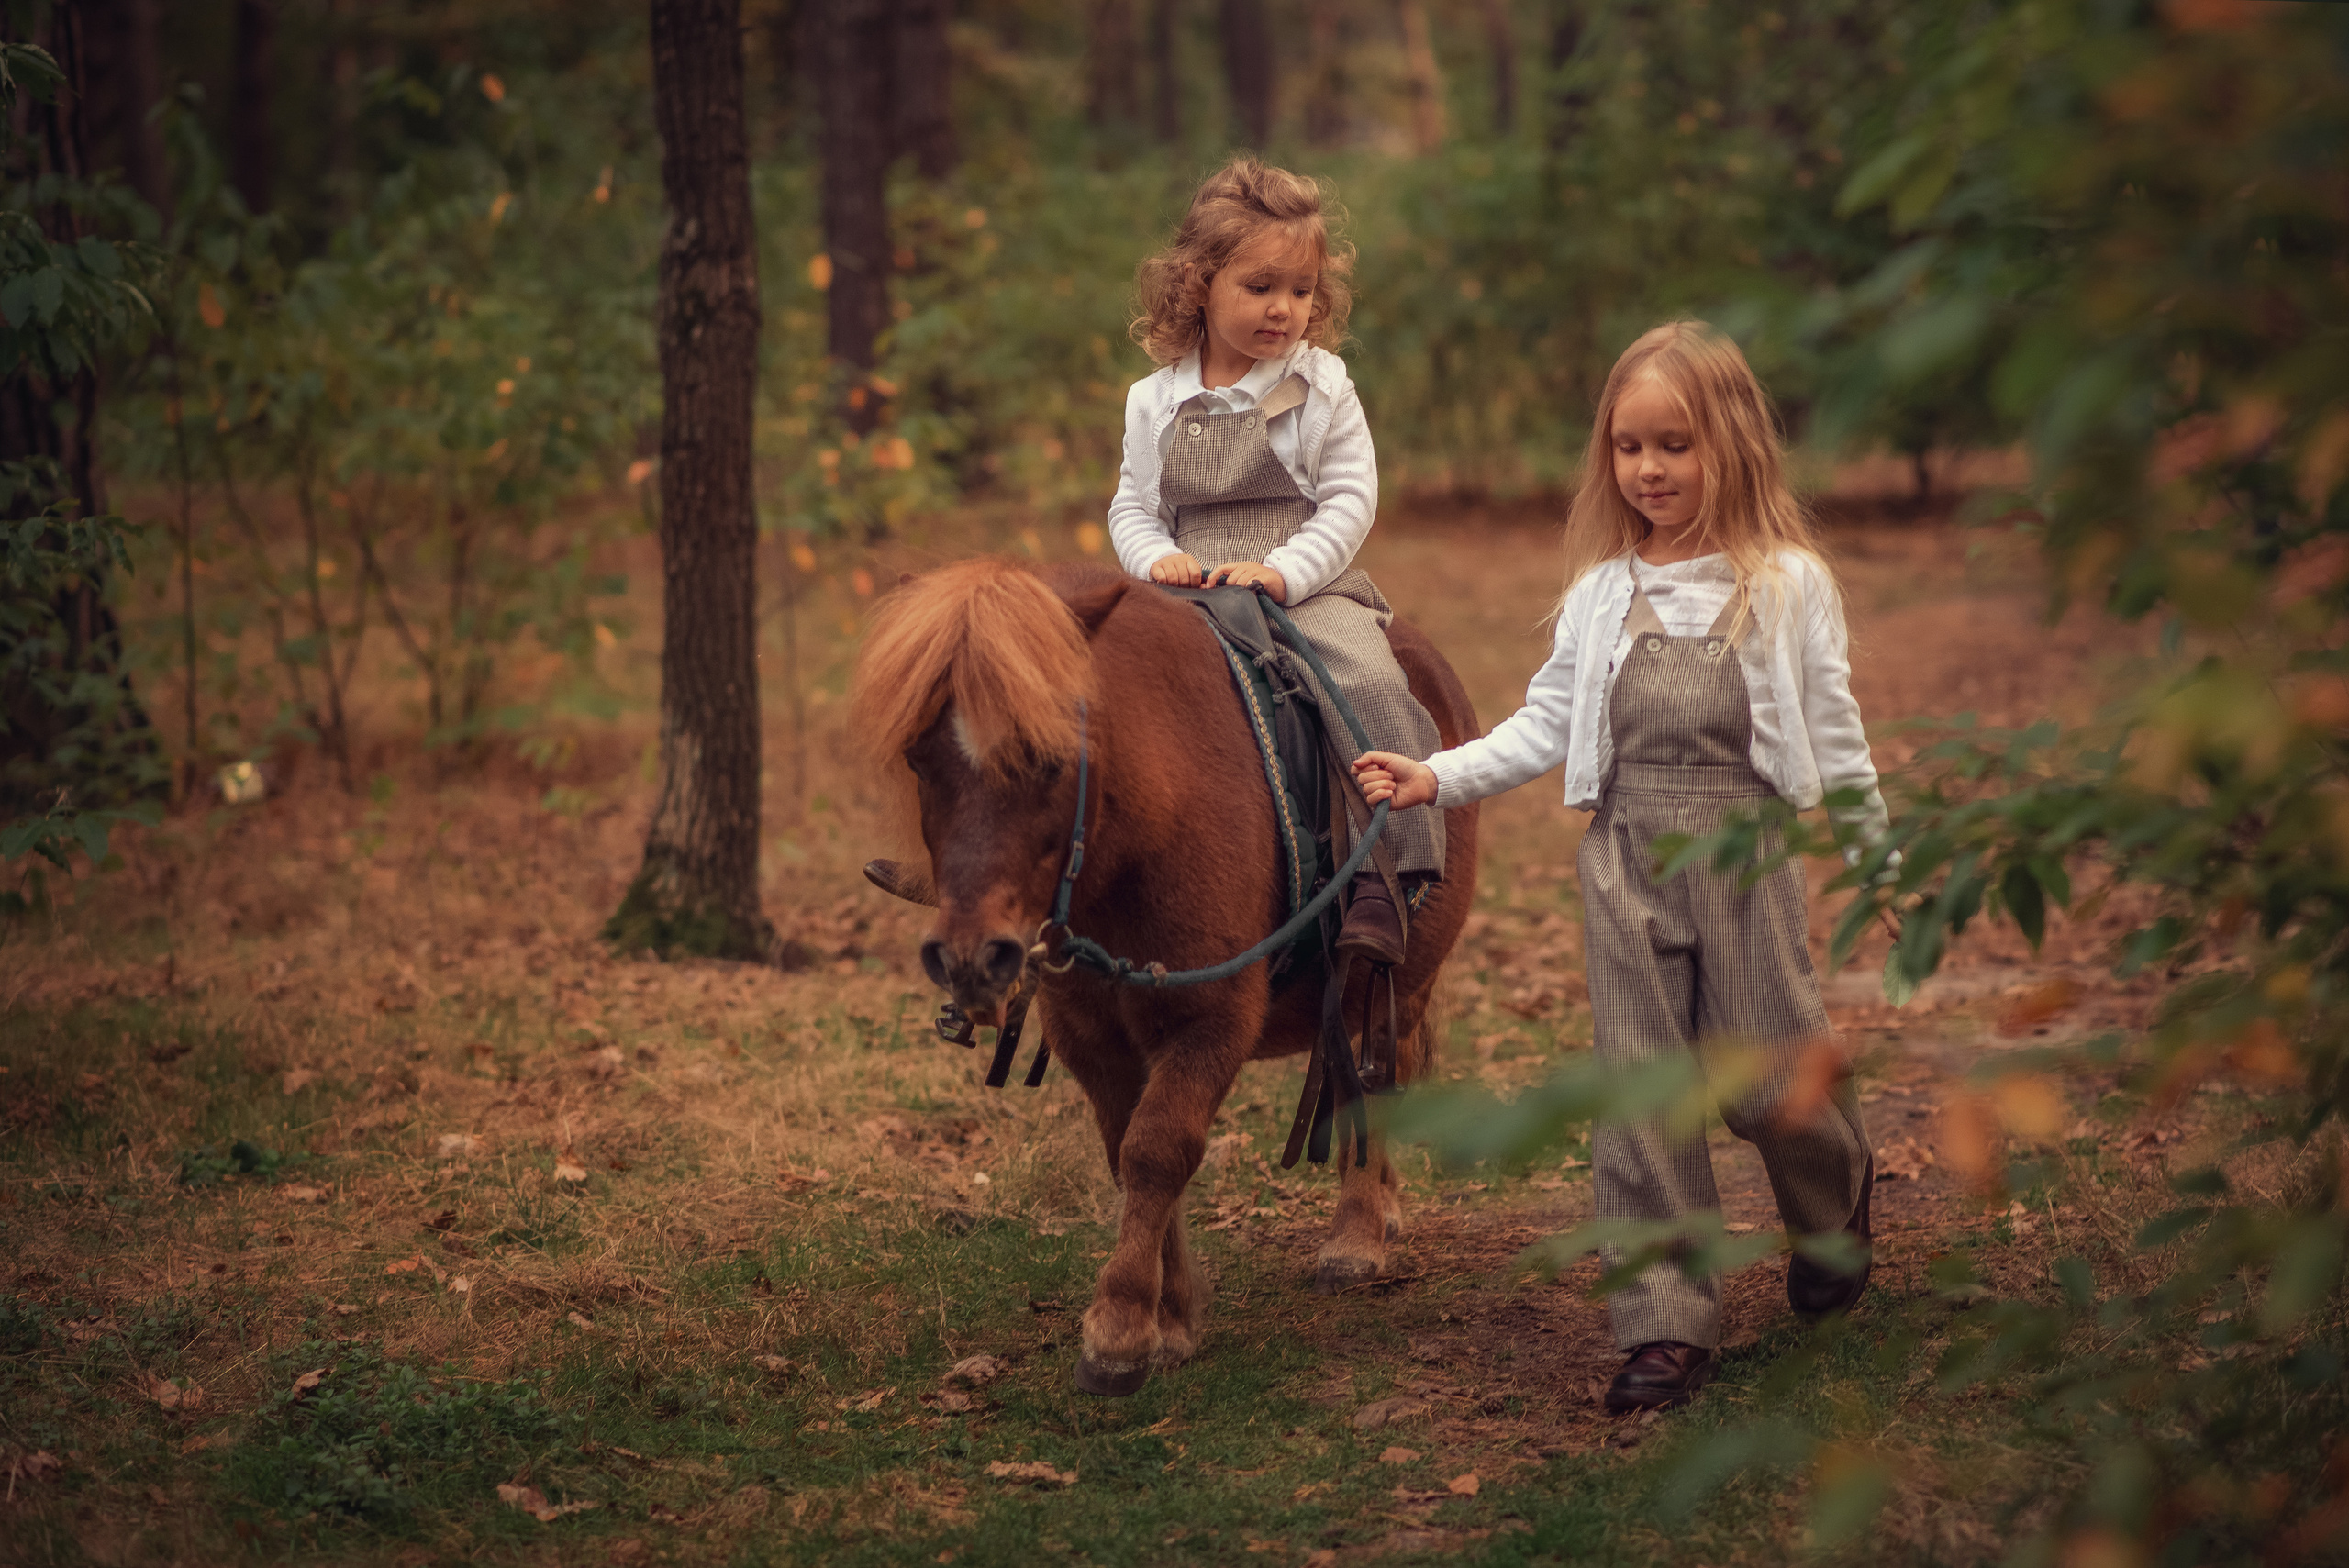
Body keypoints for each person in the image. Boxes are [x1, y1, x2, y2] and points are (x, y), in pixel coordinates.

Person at [1353, 321, 1886, 1414]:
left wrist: (1879, 855)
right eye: (1628, 447)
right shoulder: (1602, 591)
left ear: (1732, 442)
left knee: (1774, 1079)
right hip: (1626, 855)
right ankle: (1663, 1323)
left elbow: (1833, 728)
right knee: (1643, 1091)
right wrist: (1434, 775)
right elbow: (1547, 718)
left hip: (1743, 850)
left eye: (1675, 445)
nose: (1648, 470)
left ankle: (1831, 1211)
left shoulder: (1785, 582)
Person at [1104, 156, 1445, 966]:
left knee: (1367, 680)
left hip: (1301, 583)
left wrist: (1285, 572)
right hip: (1184, 587)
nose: (1283, 308)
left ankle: (1387, 872)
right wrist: (1156, 560)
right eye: (1260, 287)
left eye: (1300, 290)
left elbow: (1350, 499)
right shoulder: (1154, 398)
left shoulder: (1322, 384)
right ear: (1198, 284)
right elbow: (1133, 505)